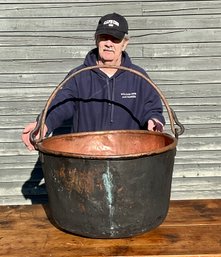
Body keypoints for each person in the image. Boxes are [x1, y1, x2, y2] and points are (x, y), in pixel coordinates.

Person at [22, 12, 165, 151]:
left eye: (115, 39)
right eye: (104, 37)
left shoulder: (138, 77)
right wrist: (43, 125)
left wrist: (155, 121)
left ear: (124, 43)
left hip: (128, 159)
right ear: (96, 40)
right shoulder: (79, 76)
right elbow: (59, 106)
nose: (109, 43)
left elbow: (153, 108)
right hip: (85, 159)